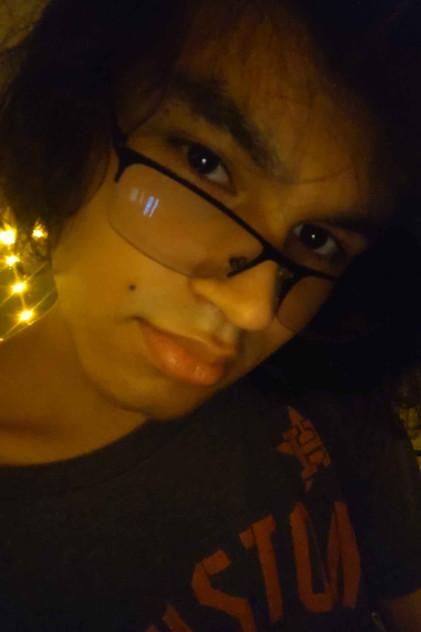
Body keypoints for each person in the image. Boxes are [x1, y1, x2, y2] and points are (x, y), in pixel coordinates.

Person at [0, 0, 420, 629]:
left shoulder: (328, 392)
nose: (254, 308)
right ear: (73, 121)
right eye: (205, 164)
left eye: (317, 239)